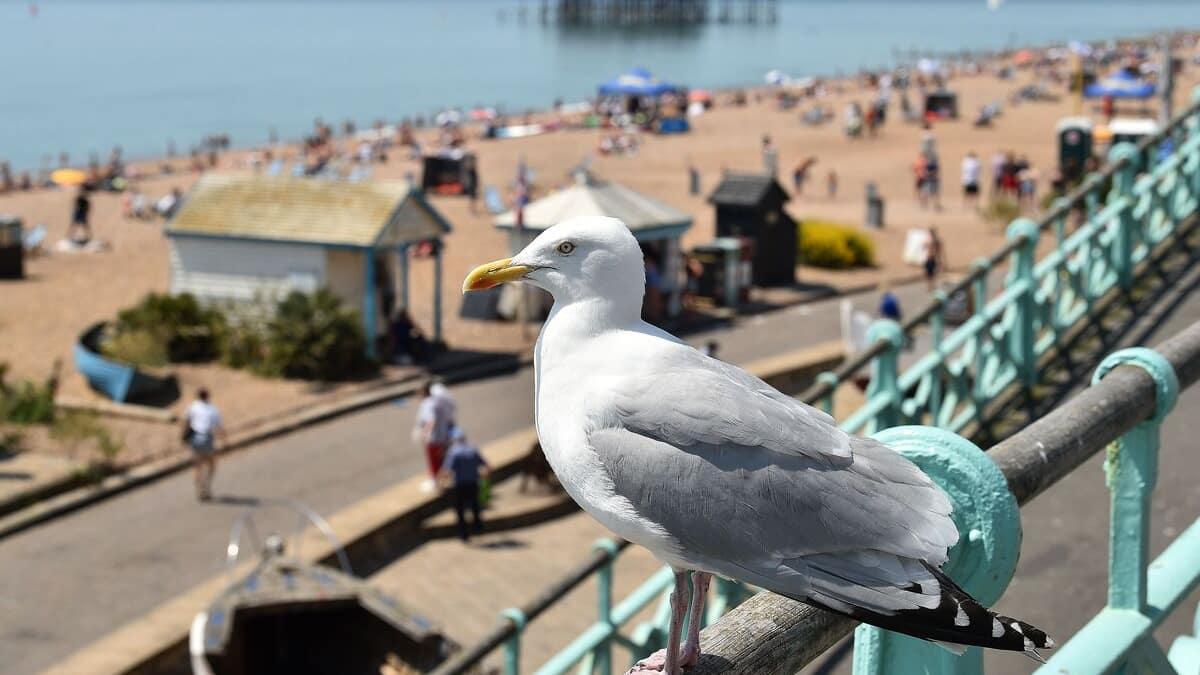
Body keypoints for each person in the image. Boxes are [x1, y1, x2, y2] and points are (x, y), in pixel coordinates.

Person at [439, 426, 490, 541]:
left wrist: (441, 483)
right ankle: (478, 526)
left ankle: (463, 533)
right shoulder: (473, 449)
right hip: (473, 483)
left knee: (460, 510)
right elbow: (486, 466)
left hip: (460, 486)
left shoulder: (453, 452)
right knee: (475, 505)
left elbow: (446, 471)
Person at [183, 388, 226, 501]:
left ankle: (199, 489)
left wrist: (183, 438)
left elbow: (186, 423)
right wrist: (225, 441)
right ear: (208, 396)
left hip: (194, 438)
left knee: (197, 466)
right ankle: (206, 487)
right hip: (207, 439)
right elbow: (219, 428)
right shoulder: (213, 409)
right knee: (211, 465)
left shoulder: (192, 407)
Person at [413, 381, 454, 491]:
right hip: (443, 436)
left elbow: (431, 420)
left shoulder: (427, 404)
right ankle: (444, 480)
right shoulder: (437, 402)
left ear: (423, 392)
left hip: (434, 439)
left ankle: (436, 483)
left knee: (434, 461)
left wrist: (424, 434)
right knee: (441, 460)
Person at [923, 227, 944, 291]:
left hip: (932, 258)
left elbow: (939, 251)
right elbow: (924, 247)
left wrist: (940, 260)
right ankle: (930, 286)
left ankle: (931, 286)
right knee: (928, 273)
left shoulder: (936, 241)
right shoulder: (929, 241)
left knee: (932, 273)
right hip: (929, 258)